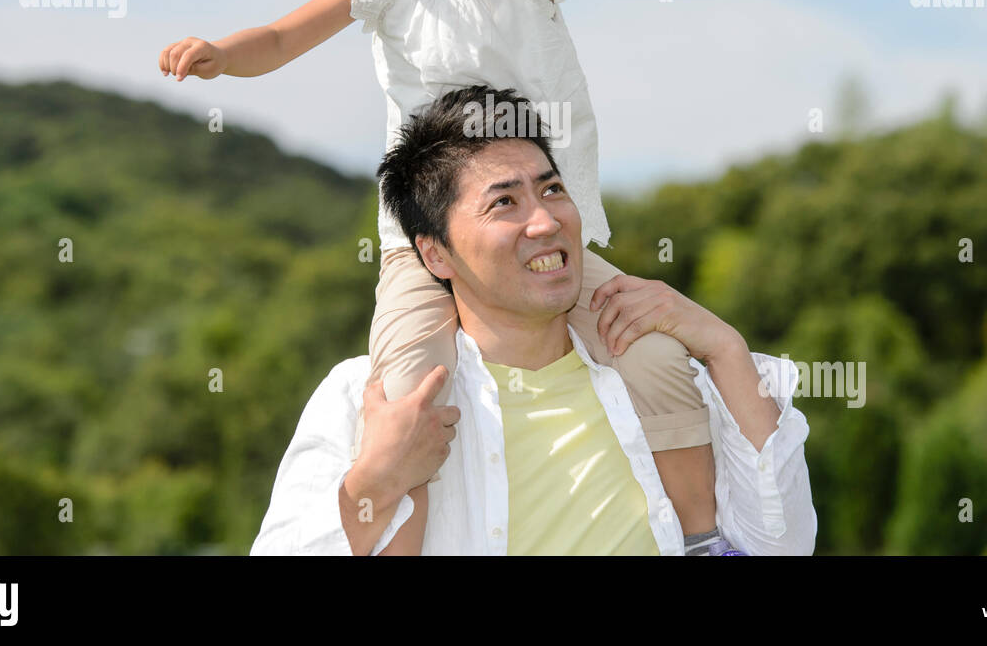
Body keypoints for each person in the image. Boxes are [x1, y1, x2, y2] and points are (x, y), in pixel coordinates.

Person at [159, 0, 726, 554]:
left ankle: (705, 540)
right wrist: (224, 55)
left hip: (542, 241)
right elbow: (285, 37)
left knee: (657, 359)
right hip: (425, 247)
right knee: (409, 396)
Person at [250, 85, 817, 555]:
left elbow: (782, 544)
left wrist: (723, 346)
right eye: (504, 203)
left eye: (551, 189)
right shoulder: (367, 401)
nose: (545, 221)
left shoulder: (657, 377)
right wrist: (375, 480)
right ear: (435, 254)